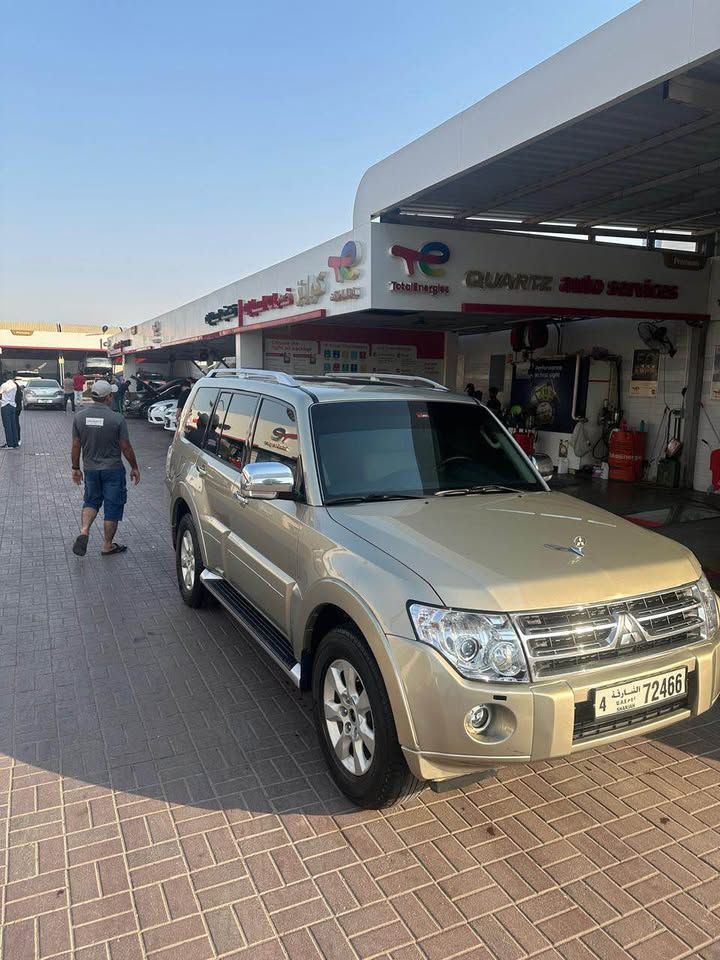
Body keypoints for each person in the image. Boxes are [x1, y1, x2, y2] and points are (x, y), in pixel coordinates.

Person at [71, 379, 140, 557]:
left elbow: (76, 445)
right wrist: (134, 467)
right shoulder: (117, 418)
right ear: (108, 397)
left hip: (91, 469)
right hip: (113, 470)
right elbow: (126, 446)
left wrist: (75, 468)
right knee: (112, 507)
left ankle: (84, 530)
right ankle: (107, 545)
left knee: (91, 501)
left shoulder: (79, 417)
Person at [0, 375, 19, 448]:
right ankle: (15, 443)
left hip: (5, 406)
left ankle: (10, 444)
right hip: (12, 406)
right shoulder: (14, 385)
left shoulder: (4, 385)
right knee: (13, 425)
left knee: (7, 426)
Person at [13, 373, 23, 446]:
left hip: (15, 407)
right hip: (18, 407)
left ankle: (16, 439)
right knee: (16, 423)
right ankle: (17, 439)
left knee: (15, 423)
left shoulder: (13, 386)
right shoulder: (17, 386)